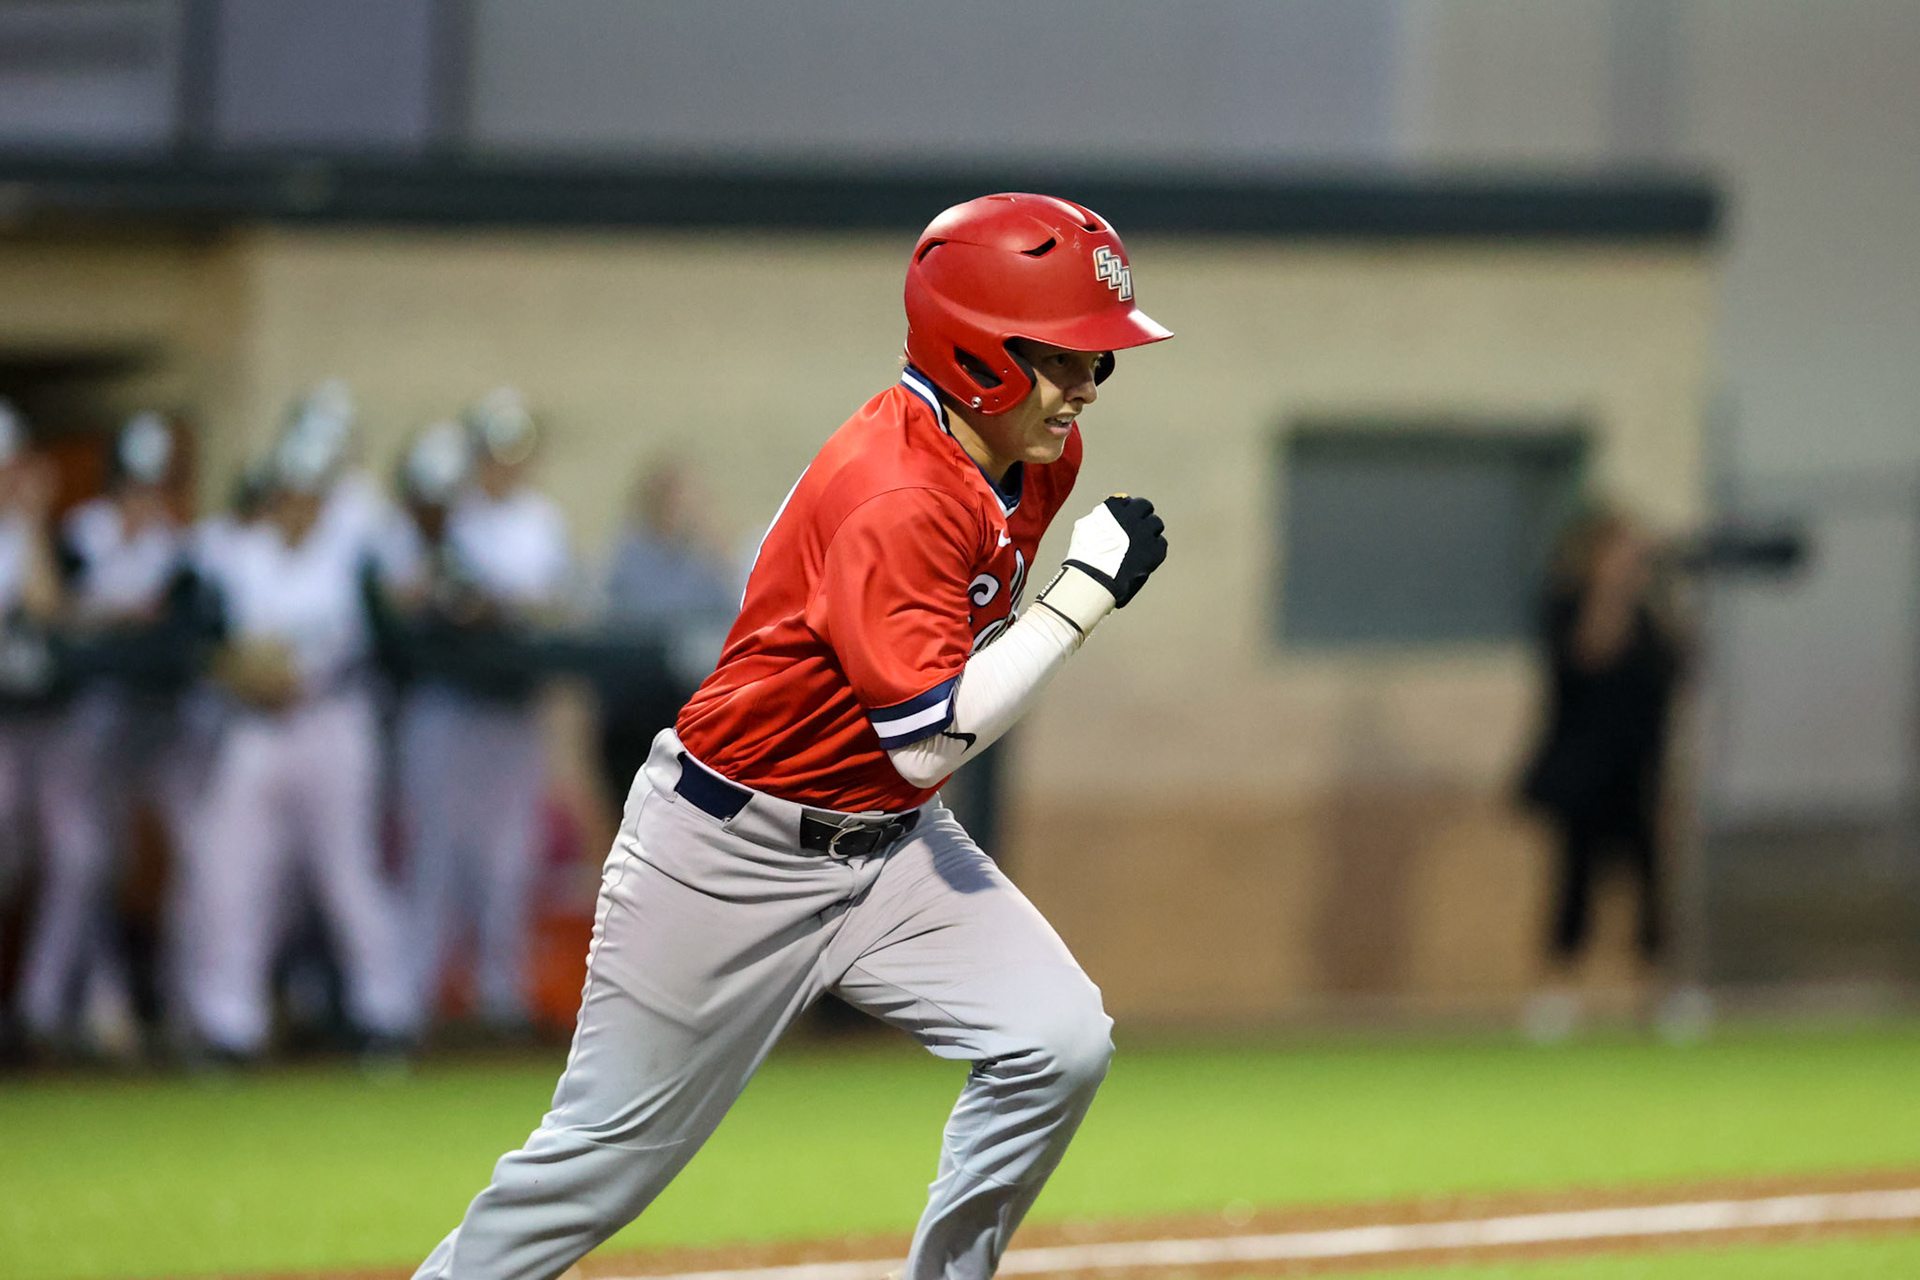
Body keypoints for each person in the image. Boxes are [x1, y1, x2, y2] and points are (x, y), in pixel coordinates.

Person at [413, 192, 1172, 1280]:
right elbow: (926, 737)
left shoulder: (1041, 455)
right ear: (977, 350)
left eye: (1099, 360)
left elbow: (912, 755)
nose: (1087, 385)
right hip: (726, 849)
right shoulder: (896, 486)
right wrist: (1079, 598)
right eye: (1063, 356)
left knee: (1056, 1041)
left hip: (891, 840)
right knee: (598, 1165)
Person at [173, 409, 413, 1060]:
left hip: (334, 720)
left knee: (347, 873)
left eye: (312, 494)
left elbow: (389, 644)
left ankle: (384, 1015)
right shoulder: (237, 555)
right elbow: (197, 641)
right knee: (231, 871)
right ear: (275, 492)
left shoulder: (351, 553)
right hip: (257, 728)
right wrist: (240, 669)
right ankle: (228, 1026)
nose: (300, 505)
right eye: (290, 492)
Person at [20, 412, 191, 1057]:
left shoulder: (174, 548)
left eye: (153, 485)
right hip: (78, 722)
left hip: (158, 721)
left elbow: (183, 636)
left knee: (143, 862)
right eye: (132, 485)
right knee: (85, 859)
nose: (142, 499)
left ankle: (130, 1006)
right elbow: (49, 619)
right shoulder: (82, 533)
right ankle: (63, 1006)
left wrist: (120, 630)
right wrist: (112, 621)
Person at [402, 390, 570, 1035]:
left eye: (514, 453)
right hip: (448, 704)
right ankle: (409, 1004)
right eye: (494, 453)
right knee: (435, 857)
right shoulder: (449, 515)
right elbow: (418, 596)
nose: (504, 466)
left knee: (509, 862)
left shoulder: (541, 520)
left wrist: (499, 607)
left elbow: (557, 606)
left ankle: (502, 1002)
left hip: (513, 709)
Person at [1520, 507, 1683, 1035]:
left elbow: (1675, 676)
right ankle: (1557, 994)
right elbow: (1590, 653)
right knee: (1576, 882)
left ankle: (1658, 995)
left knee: (1649, 883)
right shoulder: (1565, 607)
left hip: (1637, 773)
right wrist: (1610, 591)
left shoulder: (1651, 617)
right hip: (1583, 774)